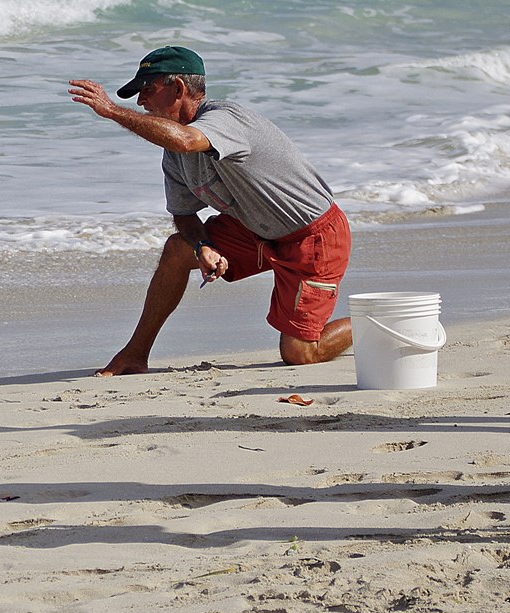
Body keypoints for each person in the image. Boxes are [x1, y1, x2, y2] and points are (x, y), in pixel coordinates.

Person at [68, 45, 352, 375]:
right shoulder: (172, 153)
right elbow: (184, 216)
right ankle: (135, 354)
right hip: (253, 231)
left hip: (314, 236)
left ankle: (374, 321)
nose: (140, 101)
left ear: (178, 88)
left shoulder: (226, 119)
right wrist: (202, 247)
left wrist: (113, 111)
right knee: (178, 249)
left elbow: (188, 140)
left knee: (299, 353)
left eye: (147, 89)